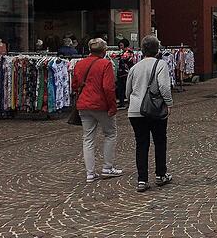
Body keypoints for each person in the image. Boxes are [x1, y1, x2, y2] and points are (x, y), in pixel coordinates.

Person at [125, 35, 173, 192]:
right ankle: (161, 174)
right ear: (157, 50)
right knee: (160, 141)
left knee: (141, 144)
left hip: (135, 110)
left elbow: (128, 91)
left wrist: (133, 100)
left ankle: (142, 179)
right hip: (154, 108)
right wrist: (169, 103)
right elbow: (164, 87)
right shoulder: (161, 65)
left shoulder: (134, 67)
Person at [74, 38, 122, 184]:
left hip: (84, 104)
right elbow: (108, 87)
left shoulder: (79, 64)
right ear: (104, 50)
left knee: (88, 138)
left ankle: (90, 173)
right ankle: (107, 167)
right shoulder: (105, 64)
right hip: (101, 104)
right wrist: (112, 106)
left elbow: (74, 84)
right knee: (110, 134)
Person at [116, 38, 134, 109]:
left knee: (127, 88)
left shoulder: (129, 52)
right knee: (120, 88)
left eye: (121, 45)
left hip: (127, 72)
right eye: (119, 45)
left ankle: (129, 102)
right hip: (121, 72)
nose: (120, 47)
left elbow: (123, 58)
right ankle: (121, 102)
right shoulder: (121, 52)